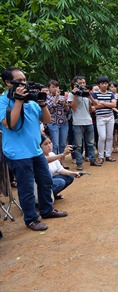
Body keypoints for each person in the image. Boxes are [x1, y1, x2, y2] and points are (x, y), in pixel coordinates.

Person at [0, 67, 68, 231]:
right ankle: (31, 219)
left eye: (25, 80)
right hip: (18, 154)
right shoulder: (3, 101)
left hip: (35, 151)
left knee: (45, 182)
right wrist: (17, 101)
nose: (24, 83)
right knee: (27, 188)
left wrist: (43, 103)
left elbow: (46, 119)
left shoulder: (30, 101)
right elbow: (10, 124)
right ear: (8, 82)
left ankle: (47, 210)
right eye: (19, 81)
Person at [67, 76, 102, 170]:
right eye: (80, 83)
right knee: (78, 145)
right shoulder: (71, 94)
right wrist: (75, 94)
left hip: (88, 121)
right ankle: (79, 163)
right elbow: (73, 108)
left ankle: (92, 160)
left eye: (84, 83)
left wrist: (90, 96)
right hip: (77, 122)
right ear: (75, 84)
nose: (82, 84)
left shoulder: (86, 95)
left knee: (91, 143)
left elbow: (96, 105)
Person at [40, 134, 80, 200]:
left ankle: (52, 195)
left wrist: (73, 173)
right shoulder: (39, 157)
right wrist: (63, 154)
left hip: (49, 180)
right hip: (42, 183)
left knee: (70, 177)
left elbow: (60, 169)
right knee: (60, 182)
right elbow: (45, 160)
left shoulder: (52, 154)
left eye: (50, 142)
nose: (49, 145)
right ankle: (44, 198)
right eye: (45, 144)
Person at [46, 79, 70, 168]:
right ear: (49, 88)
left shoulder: (63, 97)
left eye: (57, 86)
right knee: (55, 144)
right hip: (53, 123)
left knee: (63, 144)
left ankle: (62, 161)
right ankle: (54, 163)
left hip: (64, 123)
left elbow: (67, 110)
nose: (55, 88)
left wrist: (65, 104)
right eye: (53, 87)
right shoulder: (47, 97)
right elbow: (50, 109)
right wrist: (56, 98)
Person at [92, 76, 116, 163]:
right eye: (102, 83)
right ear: (99, 85)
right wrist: (107, 104)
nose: (104, 85)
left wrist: (101, 103)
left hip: (110, 117)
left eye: (106, 83)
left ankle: (108, 155)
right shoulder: (95, 94)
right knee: (102, 137)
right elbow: (95, 105)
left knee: (109, 137)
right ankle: (101, 156)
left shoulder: (111, 94)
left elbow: (114, 105)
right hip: (100, 118)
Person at [109, 81, 118, 153]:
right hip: (112, 114)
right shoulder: (109, 95)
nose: (113, 88)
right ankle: (114, 147)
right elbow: (111, 106)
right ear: (109, 88)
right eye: (112, 87)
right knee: (113, 132)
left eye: (114, 87)